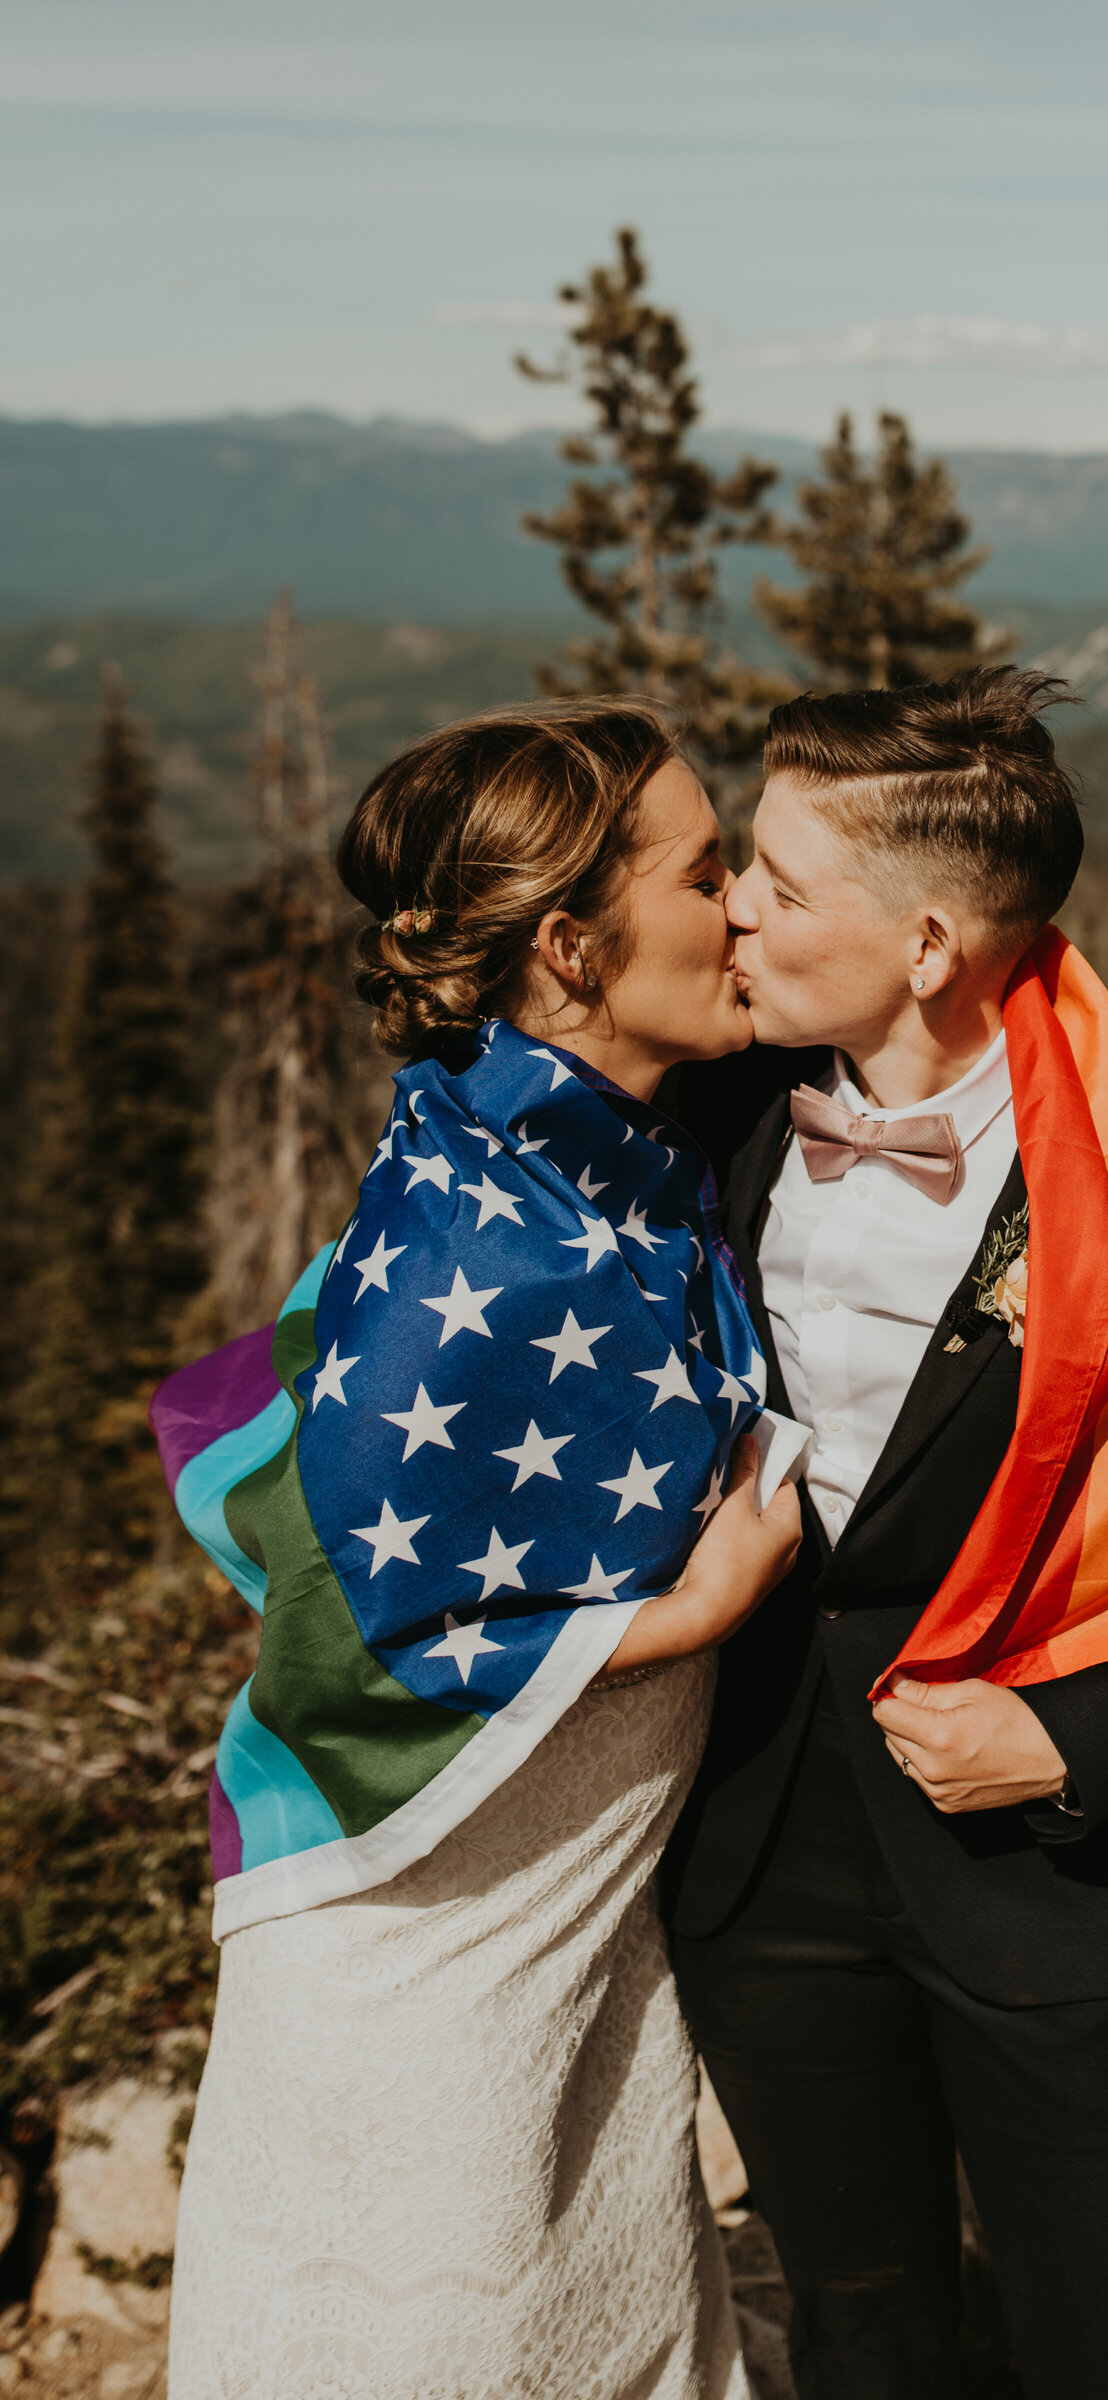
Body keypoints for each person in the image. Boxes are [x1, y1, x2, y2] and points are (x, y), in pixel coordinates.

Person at [661, 667, 1108, 2400]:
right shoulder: (716, 1111)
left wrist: (1066, 1733)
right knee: (861, 2335)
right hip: (763, 1853)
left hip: (1048, 1889)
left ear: (931, 939)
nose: (733, 898)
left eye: (782, 882)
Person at [153, 701, 801, 2400]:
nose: (746, 909)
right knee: (428, 2321)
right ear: (576, 949)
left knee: (605, 2284)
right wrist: (700, 1606)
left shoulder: (568, 1152)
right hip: (416, 1960)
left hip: (558, 1934)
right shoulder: (489, 1248)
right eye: (711, 870)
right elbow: (353, 1636)